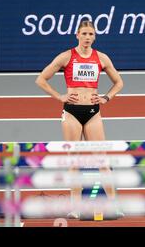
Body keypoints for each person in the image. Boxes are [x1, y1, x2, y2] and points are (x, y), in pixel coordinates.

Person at [35, 20, 124, 219]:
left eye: (91, 34)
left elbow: (119, 82)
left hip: (94, 113)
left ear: (95, 36)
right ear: (77, 35)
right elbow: (41, 79)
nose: (87, 38)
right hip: (72, 113)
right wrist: (59, 96)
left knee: (102, 161)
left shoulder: (101, 58)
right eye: (84, 33)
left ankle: (113, 206)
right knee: (74, 162)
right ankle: (75, 208)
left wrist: (106, 97)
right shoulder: (66, 56)